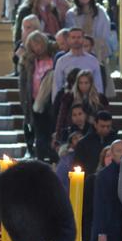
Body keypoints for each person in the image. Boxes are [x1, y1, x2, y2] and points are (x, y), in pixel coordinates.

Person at [18, 30, 56, 160]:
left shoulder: (54, 57)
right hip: (35, 101)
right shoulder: (28, 61)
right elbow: (23, 84)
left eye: (39, 44)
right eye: (34, 45)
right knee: (39, 133)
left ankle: (52, 157)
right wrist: (24, 102)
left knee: (51, 131)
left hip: (52, 101)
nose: (37, 48)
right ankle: (40, 159)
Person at [65, 0, 113, 72]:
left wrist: (94, 44)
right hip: (78, 49)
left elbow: (105, 31)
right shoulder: (71, 14)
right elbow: (71, 32)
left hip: (98, 49)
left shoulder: (100, 11)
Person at [55, 68, 109, 140]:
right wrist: (58, 135)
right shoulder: (69, 97)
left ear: (91, 83)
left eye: (86, 83)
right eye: (81, 83)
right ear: (77, 83)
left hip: (93, 133)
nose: (83, 86)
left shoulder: (100, 98)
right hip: (72, 132)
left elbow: (106, 117)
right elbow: (62, 117)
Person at [51, 28, 103, 101]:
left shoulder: (93, 60)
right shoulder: (61, 61)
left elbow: (98, 84)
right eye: (73, 37)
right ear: (68, 40)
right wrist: (55, 103)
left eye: (79, 37)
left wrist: (99, 101)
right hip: (68, 100)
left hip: (89, 100)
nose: (76, 40)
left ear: (83, 39)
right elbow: (57, 85)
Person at [73, 110, 116, 175]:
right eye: (102, 126)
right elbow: (77, 165)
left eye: (108, 126)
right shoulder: (84, 143)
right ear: (95, 124)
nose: (105, 129)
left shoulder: (115, 141)